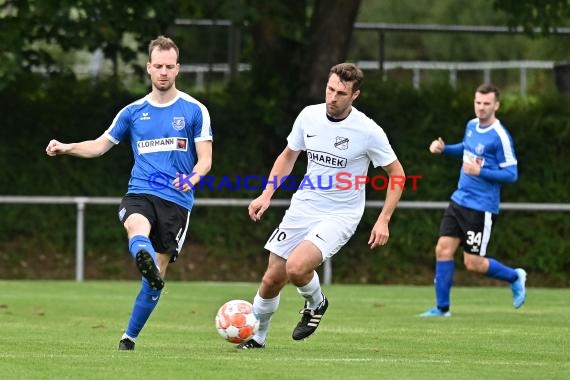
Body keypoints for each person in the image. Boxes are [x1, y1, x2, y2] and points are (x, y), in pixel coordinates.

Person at [45, 36, 213, 349]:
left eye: (169, 66)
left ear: (178, 69)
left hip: (176, 201)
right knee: (136, 224)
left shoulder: (194, 111)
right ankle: (141, 254)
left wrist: (192, 178)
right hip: (141, 191)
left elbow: (205, 160)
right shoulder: (132, 113)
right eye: (158, 66)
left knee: (155, 279)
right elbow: (99, 146)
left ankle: (129, 336)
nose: (163, 71)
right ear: (149, 68)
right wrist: (67, 147)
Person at [236, 63, 405, 349]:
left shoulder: (368, 131)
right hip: (304, 205)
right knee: (271, 278)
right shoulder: (309, 116)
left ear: (355, 95)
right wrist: (266, 194)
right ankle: (258, 338)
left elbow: (397, 174)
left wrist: (384, 219)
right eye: (330, 89)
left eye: (341, 93)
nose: (333, 97)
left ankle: (316, 303)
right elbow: (289, 155)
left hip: (341, 214)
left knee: (297, 267)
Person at [420, 83, 526, 317]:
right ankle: (442, 309)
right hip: (459, 200)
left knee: (473, 263)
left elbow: (511, 174)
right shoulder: (471, 125)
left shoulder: (500, 137)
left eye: (487, 103)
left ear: (496, 105)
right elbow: (466, 149)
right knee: (443, 250)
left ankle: (514, 276)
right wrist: (444, 148)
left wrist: (481, 173)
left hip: (481, 207)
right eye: (478, 102)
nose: (481, 107)